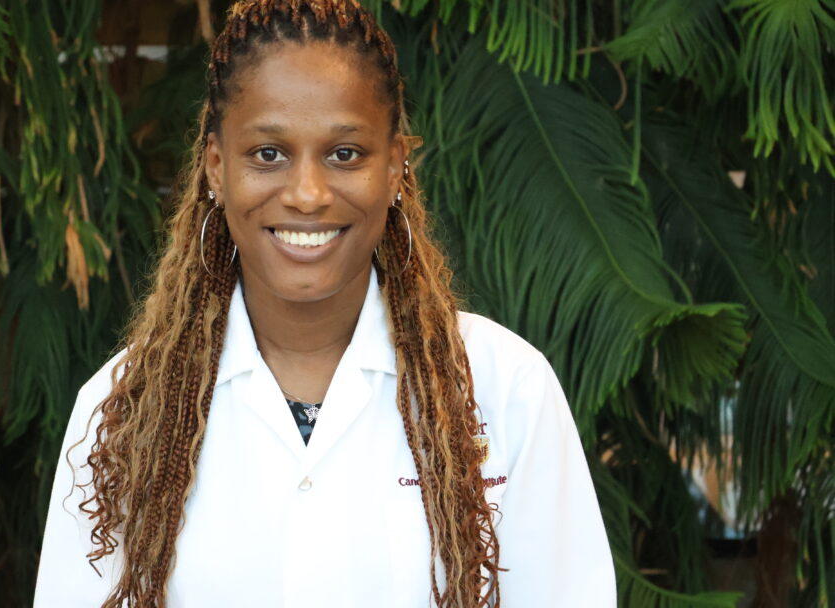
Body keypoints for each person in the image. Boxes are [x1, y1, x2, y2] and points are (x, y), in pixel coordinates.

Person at [34, 0, 615, 606]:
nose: (307, 195)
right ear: (215, 167)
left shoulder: (506, 388)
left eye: (344, 154)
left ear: (394, 167)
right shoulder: (122, 408)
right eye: (268, 154)